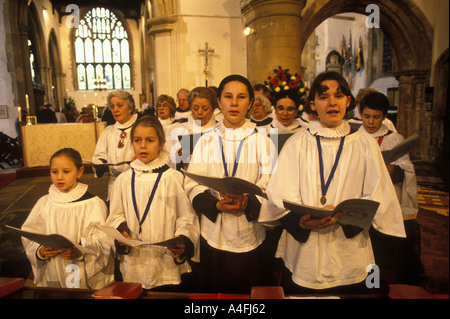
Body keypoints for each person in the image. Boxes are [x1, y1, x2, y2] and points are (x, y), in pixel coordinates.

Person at [259, 71, 406, 294]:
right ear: (312, 104)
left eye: (338, 96)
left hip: (350, 248)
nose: (331, 102)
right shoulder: (296, 143)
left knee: (354, 290)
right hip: (304, 248)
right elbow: (279, 194)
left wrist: (350, 219)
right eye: (323, 96)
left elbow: (379, 195)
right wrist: (301, 222)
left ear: (349, 101)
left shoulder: (364, 143)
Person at [184, 74, 278, 293]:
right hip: (213, 234)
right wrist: (215, 204)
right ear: (219, 102)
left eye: (241, 97)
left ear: (250, 103)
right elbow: (192, 183)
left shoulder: (262, 140)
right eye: (228, 96)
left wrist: (248, 201)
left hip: (249, 233)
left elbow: (271, 183)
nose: (234, 103)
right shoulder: (206, 139)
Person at [106, 115, 199, 291]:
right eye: (137, 140)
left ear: (161, 143)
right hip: (134, 262)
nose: (142, 145)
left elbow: (186, 219)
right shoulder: (124, 180)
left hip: (166, 262)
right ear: (131, 143)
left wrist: (182, 241)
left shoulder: (173, 178)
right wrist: (122, 232)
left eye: (150, 140)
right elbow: (115, 216)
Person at [21, 148, 114, 289]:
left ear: (80, 171)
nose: (59, 177)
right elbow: (29, 235)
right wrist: (40, 251)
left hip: (79, 267)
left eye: (66, 172)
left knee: (75, 292)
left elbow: (104, 240)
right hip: (52, 266)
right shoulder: (44, 202)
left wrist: (81, 249)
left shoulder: (92, 204)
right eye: (54, 172)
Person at [92, 90, 138, 203]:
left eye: (120, 105)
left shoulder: (140, 127)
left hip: (136, 182)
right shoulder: (108, 131)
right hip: (114, 184)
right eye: (112, 107)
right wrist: (100, 163)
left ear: (130, 108)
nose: (115, 110)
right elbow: (99, 155)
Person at [164, 87, 218, 169]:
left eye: (205, 108)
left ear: (213, 108)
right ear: (190, 107)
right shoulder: (178, 130)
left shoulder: (221, 130)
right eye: (195, 108)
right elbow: (165, 161)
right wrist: (178, 156)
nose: (200, 112)